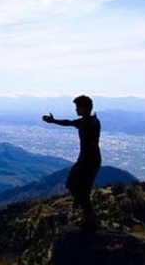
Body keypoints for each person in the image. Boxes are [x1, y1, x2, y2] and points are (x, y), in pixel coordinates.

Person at [42, 95, 101, 229]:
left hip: (88, 161)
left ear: (83, 108)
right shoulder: (90, 121)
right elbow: (69, 122)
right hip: (89, 160)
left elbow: (70, 122)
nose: (76, 110)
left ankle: (89, 217)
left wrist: (53, 121)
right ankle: (88, 215)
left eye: (77, 107)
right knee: (76, 187)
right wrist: (54, 121)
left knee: (76, 186)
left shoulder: (89, 122)